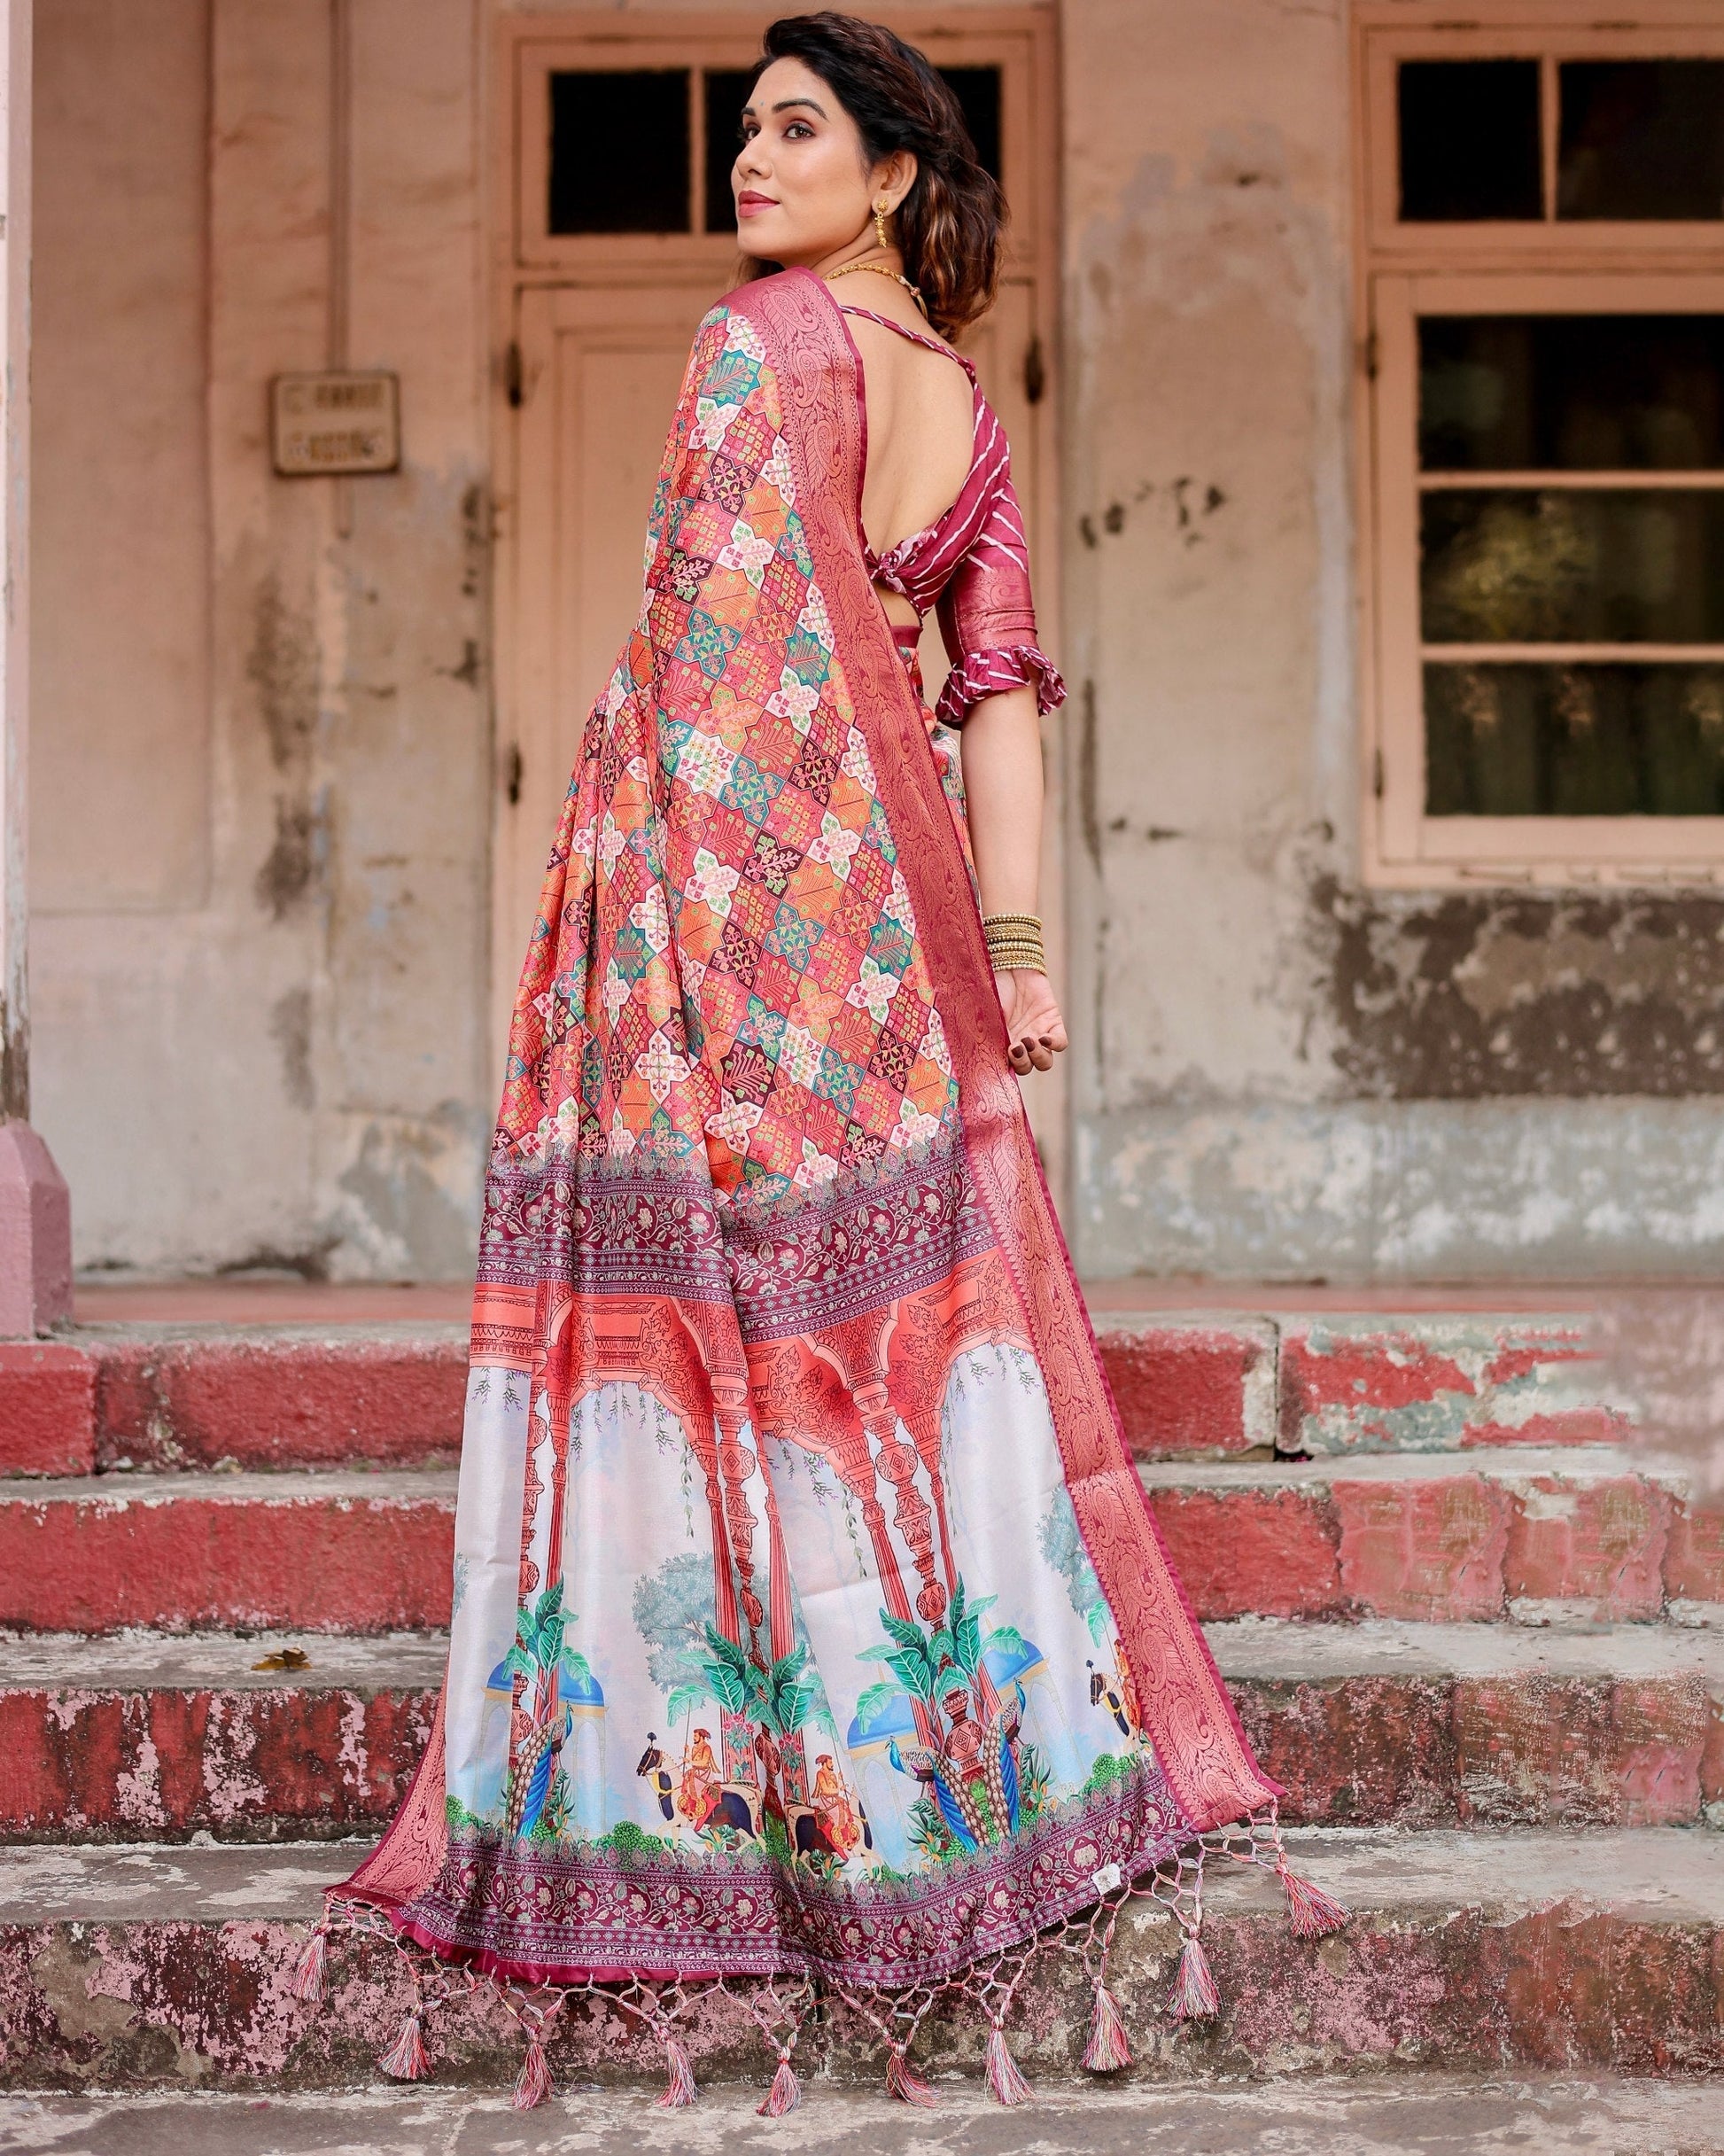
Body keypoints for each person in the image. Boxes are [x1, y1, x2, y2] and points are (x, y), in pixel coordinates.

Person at [296, 10, 1341, 2109]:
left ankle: (693, 1802)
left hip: (731, 912)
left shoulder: (754, 345)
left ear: (888, 170)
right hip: (893, 921)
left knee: (718, 1327)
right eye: (743, 129)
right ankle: (948, 1776)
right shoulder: (969, 404)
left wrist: (645, 918)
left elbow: (701, 675)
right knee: (876, 1343)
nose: (745, 161)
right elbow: (1002, 692)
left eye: (790, 130)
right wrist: (1019, 960)